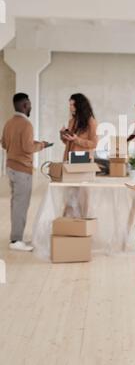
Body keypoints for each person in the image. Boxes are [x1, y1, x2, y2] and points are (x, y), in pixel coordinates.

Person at [1, 93, 50, 251]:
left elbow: (4, 143)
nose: (30, 106)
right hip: (22, 170)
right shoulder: (26, 124)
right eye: (28, 104)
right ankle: (16, 241)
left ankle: (16, 237)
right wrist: (42, 145)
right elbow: (28, 148)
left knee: (16, 204)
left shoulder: (9, 123)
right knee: (21, 205)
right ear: (24, 105)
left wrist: (35, 143)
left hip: (11, 168)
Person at [60, 93, 98, 161]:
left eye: (72, 105)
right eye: (70, 105)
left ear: (79, 106)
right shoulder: (72, 121)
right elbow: (68, 143)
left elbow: (94, 144)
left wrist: (76, 139)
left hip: (83, 160)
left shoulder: (91, 122)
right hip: (69, 159)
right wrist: (63, 135)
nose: (70, 107)